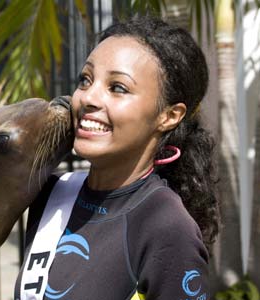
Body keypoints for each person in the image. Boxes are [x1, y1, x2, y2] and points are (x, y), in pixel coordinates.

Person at [14, 15, 220, 300]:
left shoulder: (166, 227)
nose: (88, 98)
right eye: (85, 80)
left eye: (118, 88)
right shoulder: (51, 195)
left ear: (169, 116)